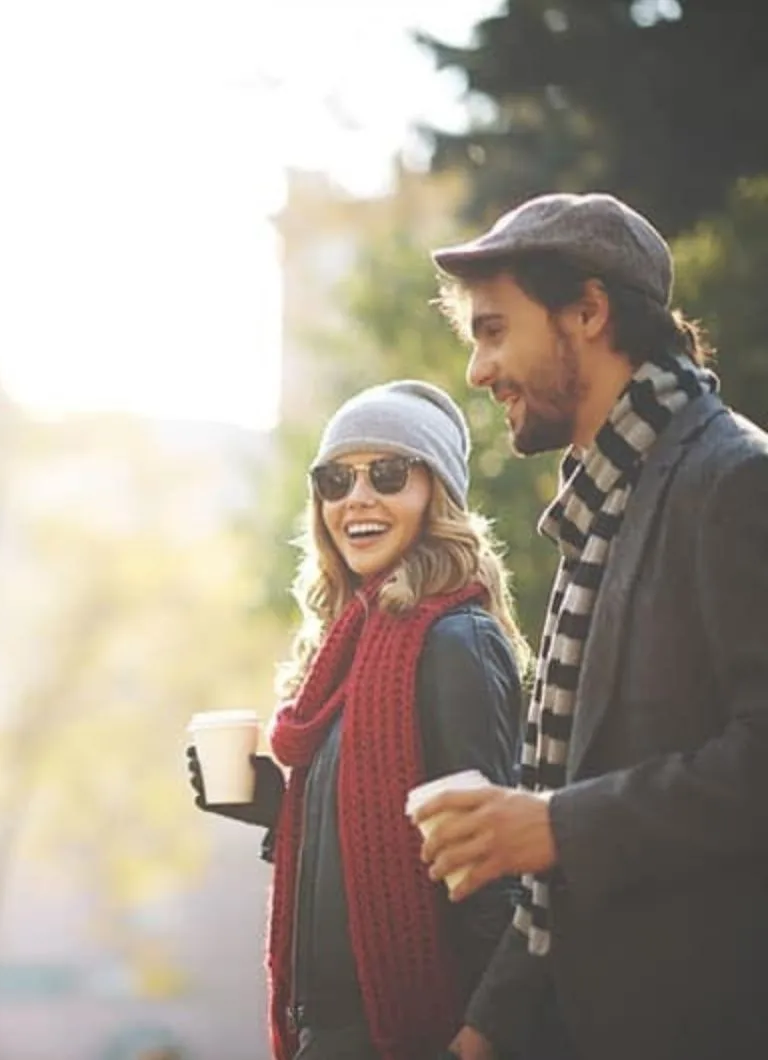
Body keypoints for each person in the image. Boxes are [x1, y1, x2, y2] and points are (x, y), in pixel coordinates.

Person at [416, 191, 768, 1060]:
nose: (477, 371)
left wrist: (556, 826)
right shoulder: (601, 505)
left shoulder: (732, 481)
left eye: (494, 331)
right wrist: (490, 1024)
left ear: (588, 310)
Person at [187, 380, 529, 1060]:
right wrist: (280, 811)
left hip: (414, 1037)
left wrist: (486, 1032)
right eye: (336, 479)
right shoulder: (346, 651)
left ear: (438, 496)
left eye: (390, 473)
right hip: (334, 1037)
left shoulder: (453, 641)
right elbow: (373, 831)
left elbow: (494, 870)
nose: (358, 498)